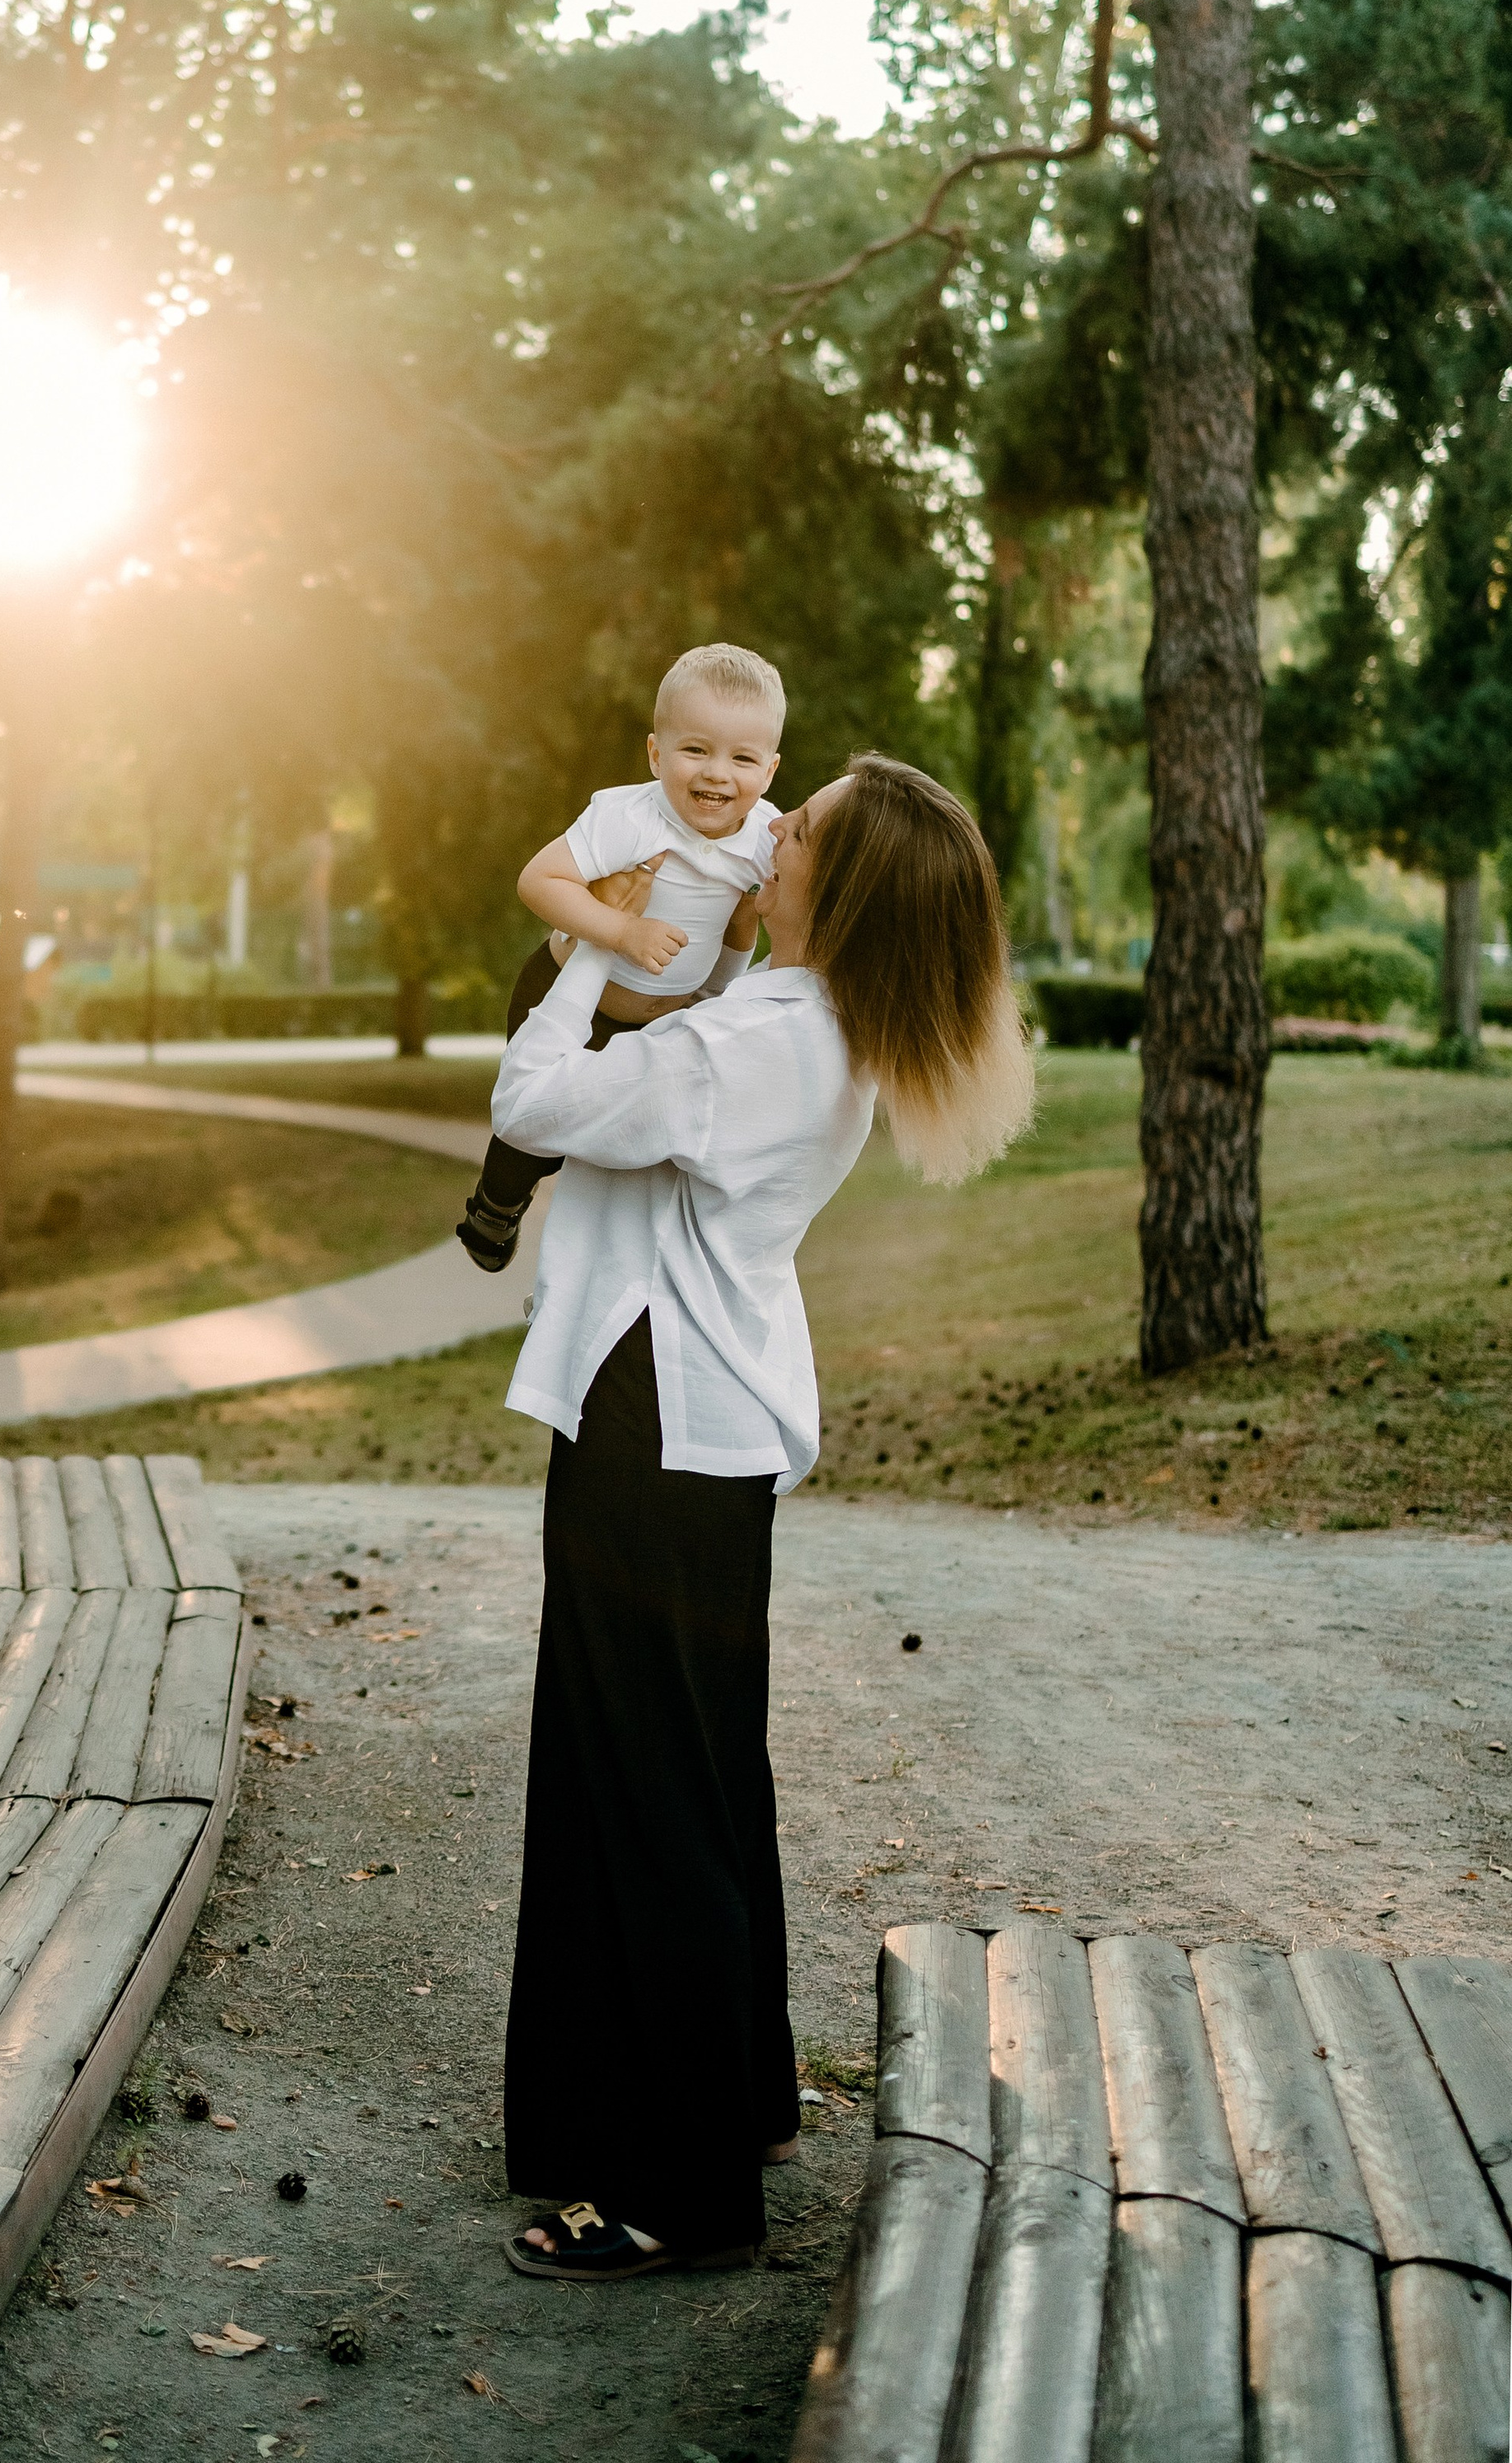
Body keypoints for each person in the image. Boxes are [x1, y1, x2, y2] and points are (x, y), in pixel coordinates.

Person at [494, 752, 1034, 2281]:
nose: (765, 831)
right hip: (705, 1425)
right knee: (701, 1772)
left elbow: (532, 1101)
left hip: (651, 1416)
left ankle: (674, 2191)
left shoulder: (751, 1046)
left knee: (641, 1787)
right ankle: (727, 2100)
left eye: (798, 829)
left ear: (834, 888)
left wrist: (592, 948)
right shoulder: (808, 1028)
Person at [455, 644, 787, 1272]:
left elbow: (745, 925)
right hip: (566, 997)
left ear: (768, 771)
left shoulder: (765, 837)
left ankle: (618, 1263)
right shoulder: (629, 818)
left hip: (661, 1020)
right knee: (538, 1128)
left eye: (741, 758)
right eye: (695, 750)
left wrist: (716, 996)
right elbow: (540, 881)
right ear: (657, 754)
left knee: (622, 1136)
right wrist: (620, 932)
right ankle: (495, 1206)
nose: (718, 773)